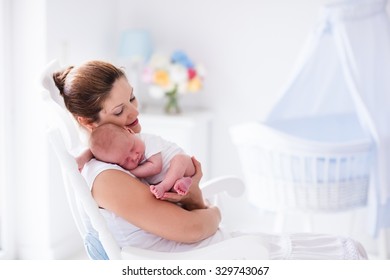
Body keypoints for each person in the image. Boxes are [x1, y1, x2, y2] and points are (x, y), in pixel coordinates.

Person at [52, 60, 368, 259]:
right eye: (119, 111)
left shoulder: (131, 155)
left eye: (132, 97)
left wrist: (194, 196)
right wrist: (214, 212)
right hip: (195, 259)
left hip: (208, 246)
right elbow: (191, 229)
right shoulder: (108, 179)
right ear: (87, 121)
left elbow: (191, 211)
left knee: (347, 248)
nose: (135, 113)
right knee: (344, 254)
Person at [89, 122, 194, 199]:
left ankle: (169, 184)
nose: (134, 157)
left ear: (130, 132)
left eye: (132, 148)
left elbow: (156, 167)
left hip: (185, 166)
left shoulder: (148, 140)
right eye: (126, 160)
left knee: (180, 159)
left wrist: (129, 172)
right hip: (165, 182)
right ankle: (180, 185)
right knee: (166, 194)